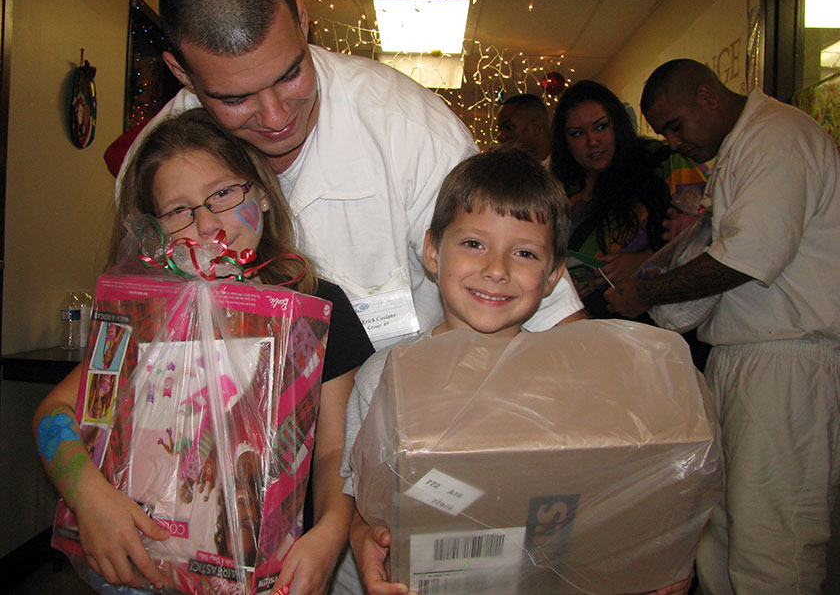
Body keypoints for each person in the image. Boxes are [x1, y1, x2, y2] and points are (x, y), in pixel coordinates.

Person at [114, 0, 584, 355]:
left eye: (290, 74)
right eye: (235, 98)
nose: (275, 117)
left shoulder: (414, 134)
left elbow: (553, 316)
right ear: (181, 72)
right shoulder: (158, 166)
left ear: (302, 20)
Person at [32, 108, 374, 595]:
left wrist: (331, 534)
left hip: (271, 570)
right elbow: (57, 410)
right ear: (152, 230)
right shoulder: (148, 313)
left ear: (260, 193)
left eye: (223, 193)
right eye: (178, 211)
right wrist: (88, 499)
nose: (208, 223)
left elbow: (334, 449)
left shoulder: (318, 305)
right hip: (143, 567)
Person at [339, 147, 694, 595]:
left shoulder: (576, 380)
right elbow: (361, 497)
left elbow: (615, 489)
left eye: (524, 253)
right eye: (473, 244)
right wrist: (363, 535)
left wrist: (655, 555)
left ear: (551, 277)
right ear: (432, 250)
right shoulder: (384, 376)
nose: (496, 270)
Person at [605, 59, 840, 594]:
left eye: (676, 124)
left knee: (773, 541)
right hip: (740, 356)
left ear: (709, 96)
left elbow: (747, 258)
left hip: (787, 359)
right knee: (721, 532)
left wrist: (647, 292)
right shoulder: (741, 148)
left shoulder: (777, 136)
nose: (672, 141)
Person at [550, 79, 707, 318]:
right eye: (578, 134)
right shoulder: (560, 191)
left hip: (658, 322)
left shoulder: (663, 164)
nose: (592, 141)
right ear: (565, 141)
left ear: (618, 125)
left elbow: (709, 235)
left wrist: (644, 260)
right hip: (585, 324)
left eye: (601, 127)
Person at [495, 93, 552, 167]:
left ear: (535, 128)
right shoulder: (506, 170)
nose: (500, 136)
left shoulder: (566, 169)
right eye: (499, 129)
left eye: (508, 127)